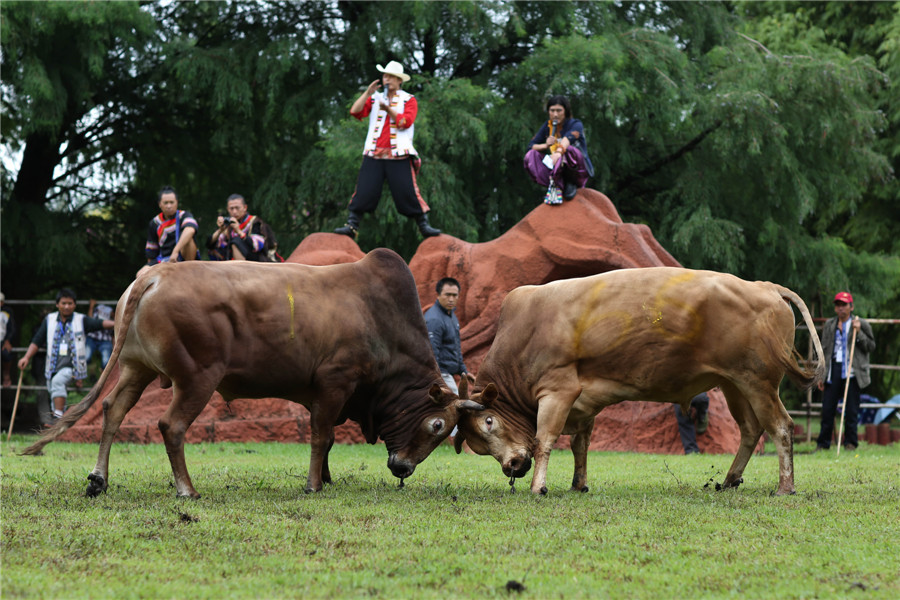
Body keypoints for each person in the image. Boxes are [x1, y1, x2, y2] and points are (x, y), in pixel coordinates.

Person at [334, 60, 441, 240]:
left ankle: (424, 226)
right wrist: (367, 93)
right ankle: (352, 225)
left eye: (391, 76)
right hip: (374, 153)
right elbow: (355, 111)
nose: (387, 79)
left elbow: (404, 122)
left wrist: (388, 109)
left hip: (398, 155)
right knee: (364, 191)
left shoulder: (409, 100)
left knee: (407, 191)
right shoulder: (375, 98)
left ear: (400, 80)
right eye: (385, 76)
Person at [17, 289, 115, 421]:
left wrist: (118, 323)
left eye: (70, 303)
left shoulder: (81, 320)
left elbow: (99, 324)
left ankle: (58, 420)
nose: (67, 306)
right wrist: (26, 357)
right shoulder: (49, 320)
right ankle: (60, 426)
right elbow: (37, 340)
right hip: (52, 367)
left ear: (75, 305)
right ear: (58, 304)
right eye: (64, 303)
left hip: (73, 368)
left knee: (58, 382)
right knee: (54, 391)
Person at [815, 291, 876, 451]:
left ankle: (850, 444)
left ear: (851, 307)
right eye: (838, 305)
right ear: (835, 308)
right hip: (833, 369)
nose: (841, 308)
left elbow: (871, 347)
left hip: (852, 371)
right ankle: (823, 444)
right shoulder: (830, 325)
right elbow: (823, 350)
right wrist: (821, 374)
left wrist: (860, 333)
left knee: (851, 410)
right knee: (827, 409)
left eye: (844, 305)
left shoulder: (860, 323)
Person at [523, 95, 594, 204]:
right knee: (531, 155)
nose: (555, 114)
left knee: (568, 149)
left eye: (559, 110)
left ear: (566, 111)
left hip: (576, 168)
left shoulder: (576, 124)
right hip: (556, 166)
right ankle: (556, 184)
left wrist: (558, 152)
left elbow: (567, 139)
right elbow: (531, 146)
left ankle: (571, 182)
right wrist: (545, 145)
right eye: (552, 110)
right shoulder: (548, 126)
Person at [424, 277, 468, 395]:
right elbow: (432, 353)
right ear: (438, 294)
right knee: (459, 404)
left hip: (450, 374)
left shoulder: (452, 316)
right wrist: (438, 380)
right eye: (447, 295)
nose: (451, 299)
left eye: (455, 295)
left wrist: (464, 371)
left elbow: (456, 347)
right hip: (441, 374)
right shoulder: (434, 319)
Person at [206, 194, 280, 262]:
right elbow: (210, 244)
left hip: (254, 260)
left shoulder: (254, 222)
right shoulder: (228, 224)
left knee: (236, 241)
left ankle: (240, 273)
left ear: (245, 208)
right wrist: (220, 230)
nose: (234, 212)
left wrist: (238, 231)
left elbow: (258, 245)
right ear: (227, 209)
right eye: (231, 209)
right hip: (231, 258)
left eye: (237, 208)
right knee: (214, 250)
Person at [144, 185, 199, 267]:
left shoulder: (183, 215)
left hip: (183, 256)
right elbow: (151, 252)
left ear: (177, 202)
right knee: (141, 274)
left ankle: (189, 268)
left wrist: (175, 251)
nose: (169, 206)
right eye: (166, 203)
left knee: (189, 240)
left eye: (171, 202)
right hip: (163, 259)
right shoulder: (155, 223)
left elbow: (190, 229)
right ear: (160, 204)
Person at [85, 299, 114, 371]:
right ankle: (89, 372)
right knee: (86, 357)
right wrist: (91, 306)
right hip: (92, 338)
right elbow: (89, 320)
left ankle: (102, 376)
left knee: (106, 361)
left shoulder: (113, 318)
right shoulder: (95, 314)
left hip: (105, 340)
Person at [1, 292, 16, 386]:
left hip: (2, 341)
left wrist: (7, 341)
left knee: (6, 354)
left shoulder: (6, 313)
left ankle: (6, 375)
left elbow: (12, 328)